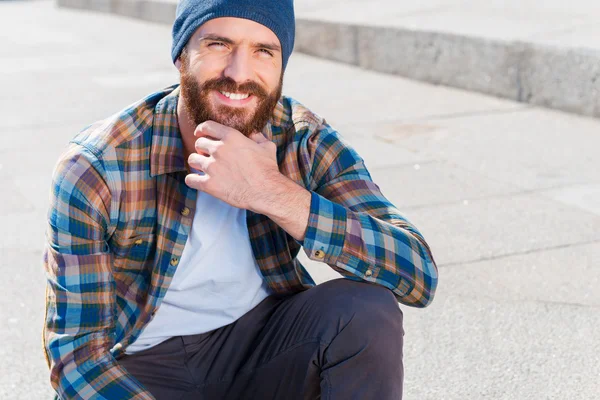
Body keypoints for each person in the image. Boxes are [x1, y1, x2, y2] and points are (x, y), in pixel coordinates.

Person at [42, 0, 438, 398]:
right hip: (143, 369)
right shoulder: (97, 167)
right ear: (182, 54)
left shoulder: (302, 139)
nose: (239, 73)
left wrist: (273, 192)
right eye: (218, 44)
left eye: (263, 51)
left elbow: (418, 274)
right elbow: (77, 358)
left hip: (264, 347)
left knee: (364, 310)